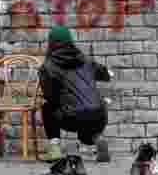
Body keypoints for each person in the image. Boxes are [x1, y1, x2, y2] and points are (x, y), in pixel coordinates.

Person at [38, 24, 111, 163]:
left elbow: (49, 95)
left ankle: (54, 148)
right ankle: (97, 139)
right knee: (87, 125)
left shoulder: (48, 66)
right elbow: (105, 74)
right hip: (99, 116)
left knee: (47, 107)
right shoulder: (86, 60)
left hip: (71, 117)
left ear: (51, 42)